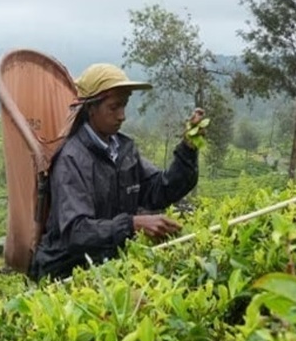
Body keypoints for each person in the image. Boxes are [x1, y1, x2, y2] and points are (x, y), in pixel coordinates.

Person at [29, 63, 200, 281]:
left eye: (124, 106)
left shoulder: (123, 150)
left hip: (106, 264)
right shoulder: (71, 159)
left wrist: (188, 147)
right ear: (91, 109)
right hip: (66, 271)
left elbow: (161, 189)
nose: (122, 116)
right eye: (114, 107)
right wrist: (133, 224)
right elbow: (77, 232)